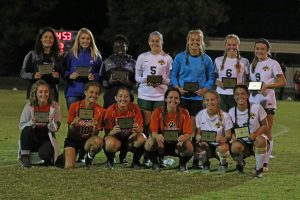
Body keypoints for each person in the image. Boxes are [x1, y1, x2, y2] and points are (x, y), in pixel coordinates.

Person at [171, 29, 215, 168]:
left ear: (201, 42)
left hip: (197, 100)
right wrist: (177, 87)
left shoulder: (206, 59)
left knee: (196, 131)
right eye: (192, 39)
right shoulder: (179, 57)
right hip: (183, 98)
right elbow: (173, 76)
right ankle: (181, 160)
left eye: (198, 40)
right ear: (188, 41)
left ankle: (196, 161)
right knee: (181, 130)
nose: (195, 42)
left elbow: (211, 77)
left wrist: (205, 89)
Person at [249, 38, 287, 172]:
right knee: (256, 133)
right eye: (257, 48)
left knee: (267, 132)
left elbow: (283, 82)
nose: (259, 51)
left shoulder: (273, 63)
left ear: (267, 50)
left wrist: (268, 85)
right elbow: (253, 83)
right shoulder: (252, 64)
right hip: (254, 102)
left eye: (262, 49)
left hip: (268, 101)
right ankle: (259, 161)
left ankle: (265, 164)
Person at [144, 88, 193, 172]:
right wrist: (157, 136)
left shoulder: (184, 112)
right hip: (162, 144)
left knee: (189, 145)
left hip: (177, 144)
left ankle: (182, 164)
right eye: (170, 97)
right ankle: (155, 163)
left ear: (179, 100)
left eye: (176, 98)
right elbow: (153, 132)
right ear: (165, 99)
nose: (173, 100)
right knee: (150, 142)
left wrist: (184, 137)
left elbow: (188, 133)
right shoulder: (158, 111)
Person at [60, 82, 105, 169]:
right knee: (69, 166)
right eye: (91, 92)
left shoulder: (100, 110)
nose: (94, 95)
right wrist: (73, 124)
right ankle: (65, 155)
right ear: (85, 92)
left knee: (98, 141)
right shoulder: (74, 106)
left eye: (96, 93)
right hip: (73, 140)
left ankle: (89, 157)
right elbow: (70, 130)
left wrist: (95, 127)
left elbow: (95, 134)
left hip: (87, 141)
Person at [19, 80, 61, 168]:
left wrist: (51, 122)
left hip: (46, 137)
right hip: (32, 136)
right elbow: (22, 127)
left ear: (49, 93)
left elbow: (56, 129)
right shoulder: (29, 106)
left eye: (46, 91)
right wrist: (31, 122)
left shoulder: (55, 106)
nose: (43, 94)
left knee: (46, 155)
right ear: (35, 93)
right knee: (27, 129)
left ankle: (46, 156)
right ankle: (25, 156)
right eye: (40, 92)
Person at [229, 85, 269, 178]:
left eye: (243, 93)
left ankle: (259, 169)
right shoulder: (231, 112)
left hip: (256, 142)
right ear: (234, 97)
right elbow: (230, 130)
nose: (240, 96)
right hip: (243, 143)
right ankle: (240, 164)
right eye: (237, 94)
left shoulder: (257, 107)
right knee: (235, 146)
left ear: (248, 95)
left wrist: (255, 134)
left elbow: (265, 125)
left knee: (260, 140)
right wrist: (233, 136)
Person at [104, 86, 146, 169]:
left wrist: (137, 129)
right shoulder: (110, 110)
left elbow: (141, 129)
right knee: (109, 143)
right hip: (116, 139)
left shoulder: (135, 108)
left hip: (130, 139)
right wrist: (113, 131)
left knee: (142, 138)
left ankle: (136, 162)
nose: (123, 99)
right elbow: (107, 133)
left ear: (130, 98)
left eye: (126, 96)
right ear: (116, 98)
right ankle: (110, 160)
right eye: (120, 96)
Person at [63, 28, 102, 110]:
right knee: (73, 120)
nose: (85, 41)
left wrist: (94, 77)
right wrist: (70, 76)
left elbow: (101, 73)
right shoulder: (70, 54)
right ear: (78, 39)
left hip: (90, 93)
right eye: (83, 38)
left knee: (87, 120)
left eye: (88, 38)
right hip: (72, 92)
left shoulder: (96, 55)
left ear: (91, 40)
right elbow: (63, 70)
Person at [194, 90, 233, 173]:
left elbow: (228, 135)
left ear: (217, 101)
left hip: (219, 145)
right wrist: (198, 137)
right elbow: (198, 133)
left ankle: (223, 164)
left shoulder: (225, 116)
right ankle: (205, 164)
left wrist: (224, 139)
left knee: (223, 148)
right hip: (206, 145)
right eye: (207, 100)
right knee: (197, 147)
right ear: (204, 102)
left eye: (212, 100)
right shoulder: (200, 115)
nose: (209, 102)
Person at [20, 27, 61, 102]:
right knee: (34, 113)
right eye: (45, 37)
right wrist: (33, 75)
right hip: (34, 91)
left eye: (51, 37)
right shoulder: (32, 54)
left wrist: (58, 76)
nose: (48, 39)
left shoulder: (57, 56)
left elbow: (62, 75)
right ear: (40, 39)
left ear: (54, 40)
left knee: (52, 114)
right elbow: (23, 73)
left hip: (52, 92)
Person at [214, 34, 250, 112]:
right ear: (225, 45)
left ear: (238, 45)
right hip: (221, 94)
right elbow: (213, 77)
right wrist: (216, 81)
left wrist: (243, 84)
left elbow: (248, 79)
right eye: (229, 44)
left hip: (237, 95)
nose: (231, 47)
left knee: (235, 120)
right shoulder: (218, 60)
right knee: (222, 120)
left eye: (234, 44)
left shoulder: (244, 61)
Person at [100, 34, 136, 109]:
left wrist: (128, 83)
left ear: (127, 47)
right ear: (113, 49)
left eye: (122, 47)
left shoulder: (133, 63)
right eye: (117, 47)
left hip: (126, 99)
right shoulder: (106, 62)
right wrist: (109, 82)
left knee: (125, 119)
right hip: (110, 98)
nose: (120, 49)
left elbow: (138, 83)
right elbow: (101, 80)